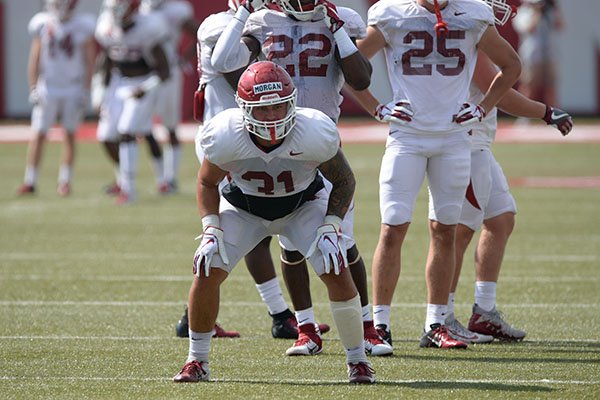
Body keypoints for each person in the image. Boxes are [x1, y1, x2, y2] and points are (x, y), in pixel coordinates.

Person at [173, 61, 374, 384]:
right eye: (263, 109)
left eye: (279, 106)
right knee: (207, 265)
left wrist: (331, 224)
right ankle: (196, 360)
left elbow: (344, 180)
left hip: (302, 206)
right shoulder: (225, 134)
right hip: (245, 210)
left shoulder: (313, 132)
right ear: (244, 109)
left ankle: (358, 360)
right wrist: (210, 227)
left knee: (336, 266)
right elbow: (206, 183)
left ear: (292, 103)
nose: (273, 116)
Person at [211, 0, 392, 356]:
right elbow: (225, 64)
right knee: (290, 243)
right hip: (273, 140)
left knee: (341, 239)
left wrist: (337, 28)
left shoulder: (342, 19)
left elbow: (361, 77)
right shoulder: (263, 20)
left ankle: (367, 325)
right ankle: (306, 327)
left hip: (318, 140)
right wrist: (244, 13)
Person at [352, 0, 521, 349]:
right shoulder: (391, 13)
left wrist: (482, 107)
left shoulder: (472, 13)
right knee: (393, 227)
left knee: (444, 230)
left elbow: (512, 65)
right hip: (407, 138)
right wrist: (376, 107)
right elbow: (350, 66)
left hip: (454, 139)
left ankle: (435, 323)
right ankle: (379, 325)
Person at [175, 0, 329, 340]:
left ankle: (196, 316)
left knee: (250, 231)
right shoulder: (218, 25)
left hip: (245, 132)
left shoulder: (252, 22)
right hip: (230, 136)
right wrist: (250, 20)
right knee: (252, 228)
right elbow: (236, 73)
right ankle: (279, 314)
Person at [440, 1, 573, 344]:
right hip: (466, 145)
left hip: (478, 144)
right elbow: (500, 95)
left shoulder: (473, 28)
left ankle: (483, 312)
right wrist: (547, 112)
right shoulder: (466, 32)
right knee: (459, 233)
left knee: (500, 219)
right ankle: (442, 317)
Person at [95, 0, 171, 204]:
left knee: (127, 130)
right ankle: (123, 178)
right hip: (118, 83)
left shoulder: (148, 27)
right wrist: (100, 92)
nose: (116, 13)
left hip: (143, 82)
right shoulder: (106, 26)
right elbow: (107, 60)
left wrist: (145, 88)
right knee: (105, 135)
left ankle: (129, 189)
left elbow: (165, 71)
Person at [17, 0, 96, 197]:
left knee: (69, 134)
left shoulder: (82, 25)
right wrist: (33, 87)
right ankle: (30, 180)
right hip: (48, 87)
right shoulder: (43, 22)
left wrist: (86, 89)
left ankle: (65, 181)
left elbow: (90, 60)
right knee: (39, 133)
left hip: (72, 87)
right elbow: (35, 57)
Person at [140, 0, 200, 193]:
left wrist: (182, 58)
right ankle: (161, 178)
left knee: (170, 126)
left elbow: (200, 34)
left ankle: (170, 178)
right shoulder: (139, 8)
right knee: (141, 125)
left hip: (168, 74)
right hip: (143, 72)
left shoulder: (176, 10)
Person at [513, 0, 564, 108]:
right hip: (532, 56)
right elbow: (529, 28)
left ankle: (555, 115)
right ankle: (524, 115)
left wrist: (554, 8)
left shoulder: (550, 12)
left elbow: (560, 25)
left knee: (551, 87)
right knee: (529, 86)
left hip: (550, 54)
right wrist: (537, 12)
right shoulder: (523, 12)